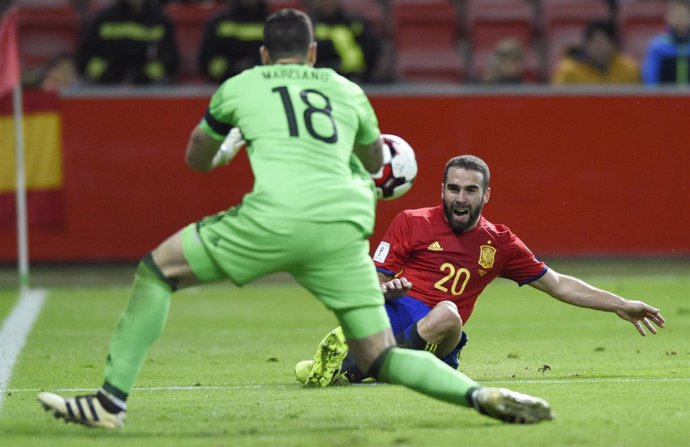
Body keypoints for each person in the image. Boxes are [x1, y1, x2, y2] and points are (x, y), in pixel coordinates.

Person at [36, 9, 554, 429]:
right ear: (312, 53)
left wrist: (230, 143)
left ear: (264, 55)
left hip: (273, 218)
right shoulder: (347, 91)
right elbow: (380, 169)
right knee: (379, 356)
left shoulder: (241, 86)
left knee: (157, 271)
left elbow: (197, 157)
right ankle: (480, 395)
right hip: (343, 228)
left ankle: (109, 402)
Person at [295, 154, 665, 386]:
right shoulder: (412, 221)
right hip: (393, 321)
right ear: (441, 190)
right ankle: (362, 364)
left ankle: (362, 366)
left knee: (449, 313)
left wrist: (619, 304)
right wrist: (385, 289)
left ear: (486, 195)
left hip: (444, 336)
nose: (460, 197)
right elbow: (372, 282)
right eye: (453, 189)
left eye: (470, 190)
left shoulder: (499, 243)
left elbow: (558, 284)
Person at [76, 0, 179, 85]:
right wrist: (105, 73)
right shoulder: (104, 19)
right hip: (106, 82)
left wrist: (143, 76)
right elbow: (85, 57)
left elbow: (170, 59)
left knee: (165, 83)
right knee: (81, 85)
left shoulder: (160, 20)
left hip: (148, 84)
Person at [198, 0, 270, 83]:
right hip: (226, 83)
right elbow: (207, 60)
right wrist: (232, 69)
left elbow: (279, 56)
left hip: (264, 83)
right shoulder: (220, 22)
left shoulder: (271, 22)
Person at [310, 0, 381, 83]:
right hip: (320, 80)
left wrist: (365, 74)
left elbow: (371, 49)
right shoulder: (309, 26)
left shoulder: (355, 23)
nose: (326, 3)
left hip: (357, 79)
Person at [551, 19, 640, 85]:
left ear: (613, 45)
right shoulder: (568, 71)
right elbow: (557, 103)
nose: (599, 47)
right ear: (585, 44)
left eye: (604, 42)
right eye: (594, 42)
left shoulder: (628, 69)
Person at [642, 0, 690, 85]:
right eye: (676, 15)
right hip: (665, 97)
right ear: (668, 17)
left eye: (684, 15)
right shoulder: (657, 46)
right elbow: (650, 81)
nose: (680, 19)